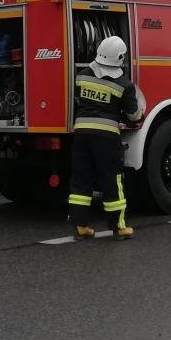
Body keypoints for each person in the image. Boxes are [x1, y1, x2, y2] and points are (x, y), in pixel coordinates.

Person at [69, 35, 144, 240]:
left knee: (81, 179)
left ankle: (80, 226)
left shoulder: (81, 76)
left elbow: (79, 100)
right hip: (106, 138)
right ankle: (119, 227)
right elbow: (134, 116)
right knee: (112, 180)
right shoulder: (124, 85)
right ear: (120, 58)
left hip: (82, 135)